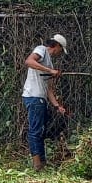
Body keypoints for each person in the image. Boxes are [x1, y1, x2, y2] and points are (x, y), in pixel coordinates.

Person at [22, 34, 69, 170]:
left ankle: (42, 162)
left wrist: (57, 106)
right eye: (61, 49)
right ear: (57, 46)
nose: (60, 53)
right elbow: (29, 62)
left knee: (41, 131)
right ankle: (37, 164)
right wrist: (50, 71)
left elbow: (49, 90)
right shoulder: (41, 49)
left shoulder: (50, 62)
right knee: (35, 130)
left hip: (40, 98)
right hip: (34, 96)